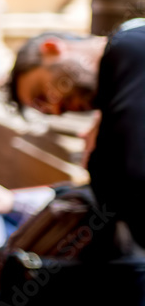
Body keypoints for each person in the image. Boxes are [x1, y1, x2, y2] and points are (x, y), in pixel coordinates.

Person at [8, 19, 145, 247]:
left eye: (42, 94)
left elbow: (133, 183)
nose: (56, 109)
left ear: (52, 48)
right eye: (45, 112)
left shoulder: (127, 48)